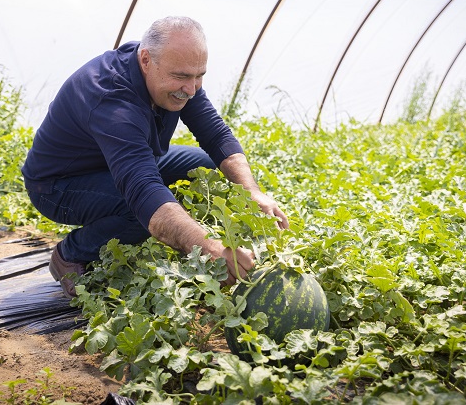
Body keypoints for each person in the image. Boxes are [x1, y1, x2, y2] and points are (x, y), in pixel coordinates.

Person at [21, 16, 289, 298]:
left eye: (199, 76)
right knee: (142, 211)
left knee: (207, 168)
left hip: (120, 162)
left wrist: (253, 192)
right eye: (182, 77)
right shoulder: (111, 98)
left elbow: (216, 135)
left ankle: (166, 230)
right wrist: (209, 248)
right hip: (59, 185)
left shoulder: (174, 69)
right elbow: (143, 190)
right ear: (146, 61)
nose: (191, 88)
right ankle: (71, 252)